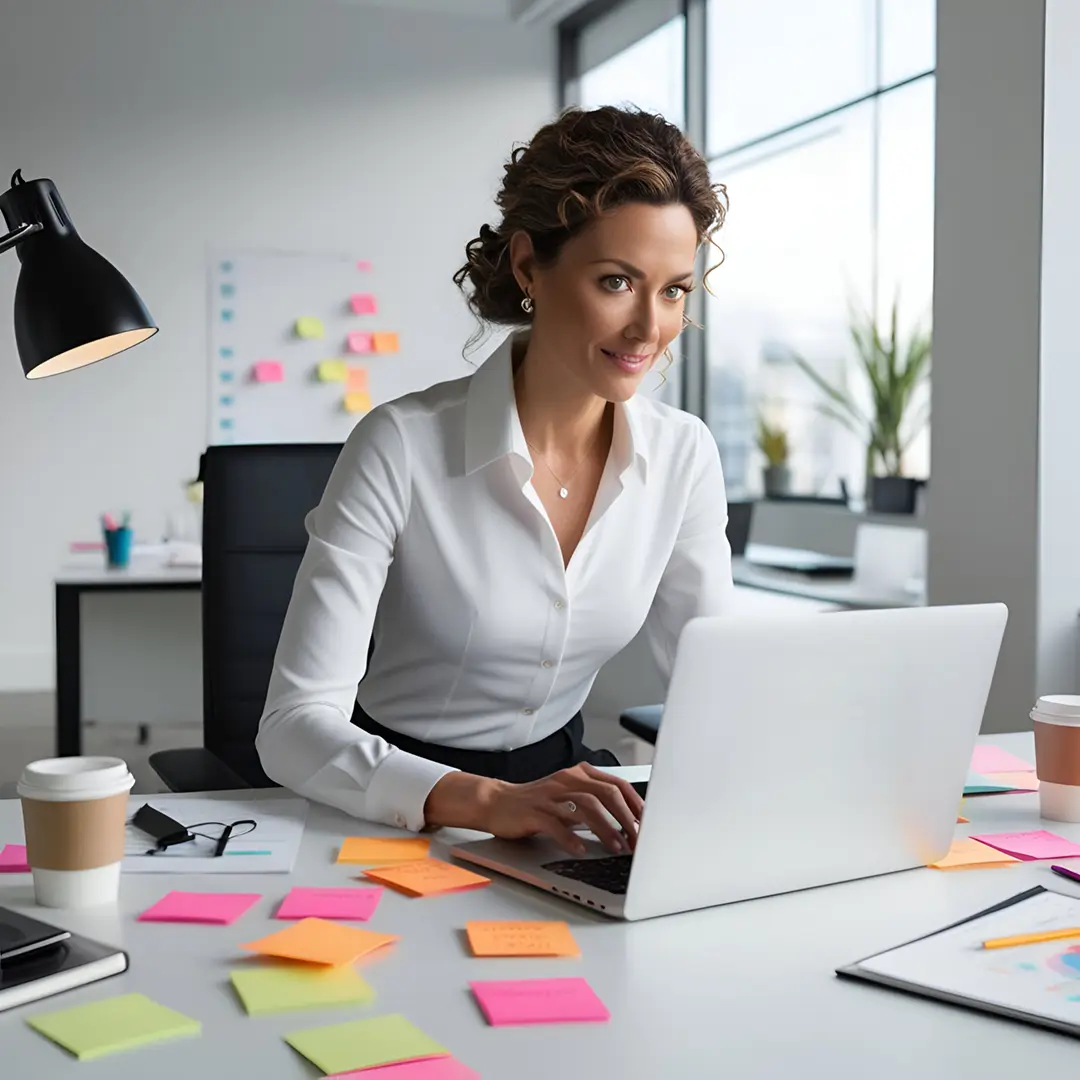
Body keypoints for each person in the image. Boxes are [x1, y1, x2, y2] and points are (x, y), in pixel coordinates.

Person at [256, 105, 733, 856]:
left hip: (566, 811)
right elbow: (292, 728)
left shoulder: (684, 457)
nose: (650, 327)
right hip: (400, 802)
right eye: (617, 281)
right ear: (526, 267)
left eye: (674, 290)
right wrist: (488, 803)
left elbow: (721, 684)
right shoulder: (400, 446)